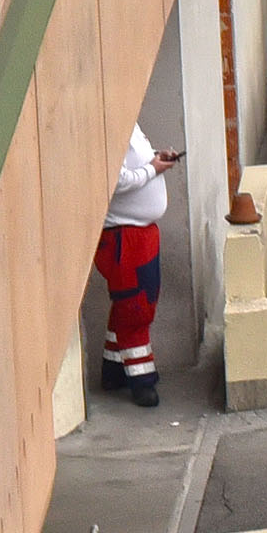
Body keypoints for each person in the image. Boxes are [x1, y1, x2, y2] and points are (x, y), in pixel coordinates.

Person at [95, 126, 180, 408]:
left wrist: (156, 159)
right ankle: (141, 380)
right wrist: (154, 169)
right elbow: (116, 180)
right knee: (135, 307)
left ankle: (114, 370)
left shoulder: (129, 122)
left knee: (129, 303)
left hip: (139, 233)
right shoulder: (106, 123)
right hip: (123, 235)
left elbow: (132, 165)